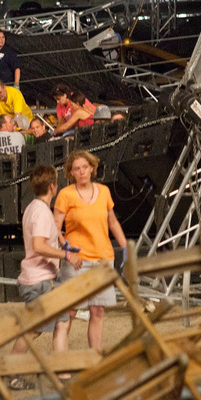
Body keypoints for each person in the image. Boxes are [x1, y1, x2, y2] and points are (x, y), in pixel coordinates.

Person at [9, 165, 82, 390]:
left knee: (60, 323)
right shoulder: (41, 211)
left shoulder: (34, 208)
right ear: (53, 186)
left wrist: (61, 240)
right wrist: (66, 255)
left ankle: (63, 375)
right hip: (39, 281)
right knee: (34, 329)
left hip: (39, 279)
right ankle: (12, 374)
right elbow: (39, 245)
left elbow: (43, 235)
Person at [54, 150, 128, 351]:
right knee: (69, 311)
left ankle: (95, 359)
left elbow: (112, 221)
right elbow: (54, 225)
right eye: (76, 169)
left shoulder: (103, 191)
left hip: (103, 259)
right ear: (71, 173)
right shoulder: (66, 194)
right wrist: (65, 246)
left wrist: (125, 247)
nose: (81, 172)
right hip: (77, 260)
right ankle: (59, 357)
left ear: (92, 168)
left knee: (97, 311)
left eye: (84, 167)